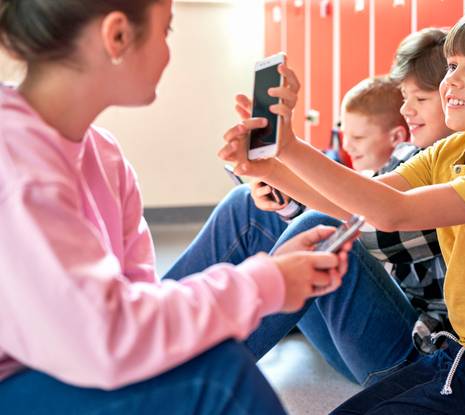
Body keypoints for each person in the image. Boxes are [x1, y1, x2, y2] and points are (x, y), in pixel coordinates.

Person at [0, 1, 353, 414]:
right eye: (166, 31)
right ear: (117, 36)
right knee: (216, 377)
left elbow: (138, 300)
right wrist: (266, 283)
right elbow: (109, 338)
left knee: (207, 342)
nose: (169, 51)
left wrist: (270, 279)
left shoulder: (106, 157)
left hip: (70, 352)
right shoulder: (16, 162)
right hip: (19, 377)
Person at [222, 4, 465, 414]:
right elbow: (354, 204)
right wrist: (268, 167)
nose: (451, 82)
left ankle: (191, 370)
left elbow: (392, 213)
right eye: (451, 66)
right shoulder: (452, 149)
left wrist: (290, 148)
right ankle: (185, 353)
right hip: (459, 356)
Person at [210, 28, 454, 386]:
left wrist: (283, 160)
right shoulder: (414, 157)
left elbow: (372, 224)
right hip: (368, 337)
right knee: (246, 204)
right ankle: (161, 329)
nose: (406, 110)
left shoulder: (459, 166)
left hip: (416, 357)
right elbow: (355, 206)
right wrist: (276, 181)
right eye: (404, 97)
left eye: (420, 99)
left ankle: (197, 373)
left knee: (318, 226)